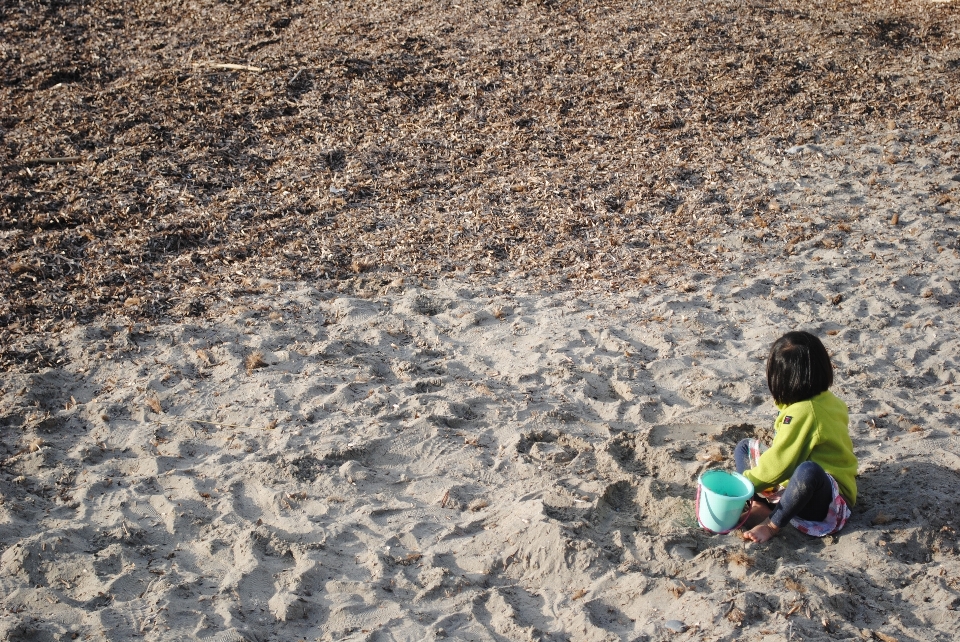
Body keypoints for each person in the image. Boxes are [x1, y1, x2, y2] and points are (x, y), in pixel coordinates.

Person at [735, 330, 858, 543]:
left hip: (826, 501)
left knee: (808, 471)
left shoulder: (804, 412)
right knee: (746, 447)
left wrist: (742, 486)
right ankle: (760, 505)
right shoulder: (828, 400)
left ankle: (772, 524)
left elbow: (781, 464)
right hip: (797, 486)